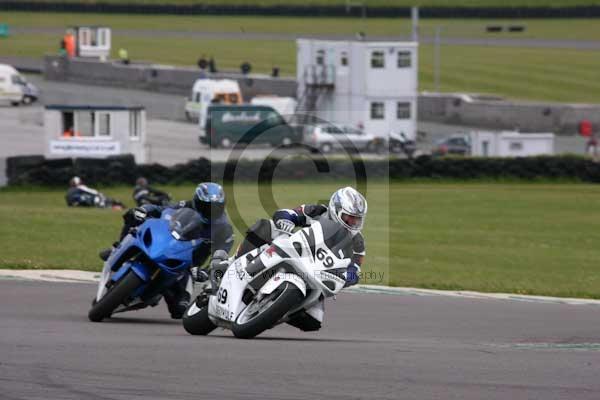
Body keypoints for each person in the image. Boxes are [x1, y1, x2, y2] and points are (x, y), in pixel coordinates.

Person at [234, 186, 367, 331]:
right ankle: (235, 262)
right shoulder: (318, 212)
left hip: (317, 275)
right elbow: (288, 213)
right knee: (266, 227)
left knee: (313, 321)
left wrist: (348, 276)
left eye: (357, 219)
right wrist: (286, 220)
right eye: (350, 217)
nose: (354, 223)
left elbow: (355, 270)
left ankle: (272, 311)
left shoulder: (358, 243)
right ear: (336, 210)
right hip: (295, 251)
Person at [100, 182, 234, 319]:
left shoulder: (224, 229)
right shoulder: (186, 205)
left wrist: (207, 272)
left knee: (180, 309)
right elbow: (162, 209)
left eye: (215, 207)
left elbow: (221, 257)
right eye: (206, 206)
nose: (210, 211)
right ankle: (116, 248)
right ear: (197, 201)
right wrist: (145, 210)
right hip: (167, 244)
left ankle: (158, 292)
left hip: (189, 265)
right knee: (132, 214)